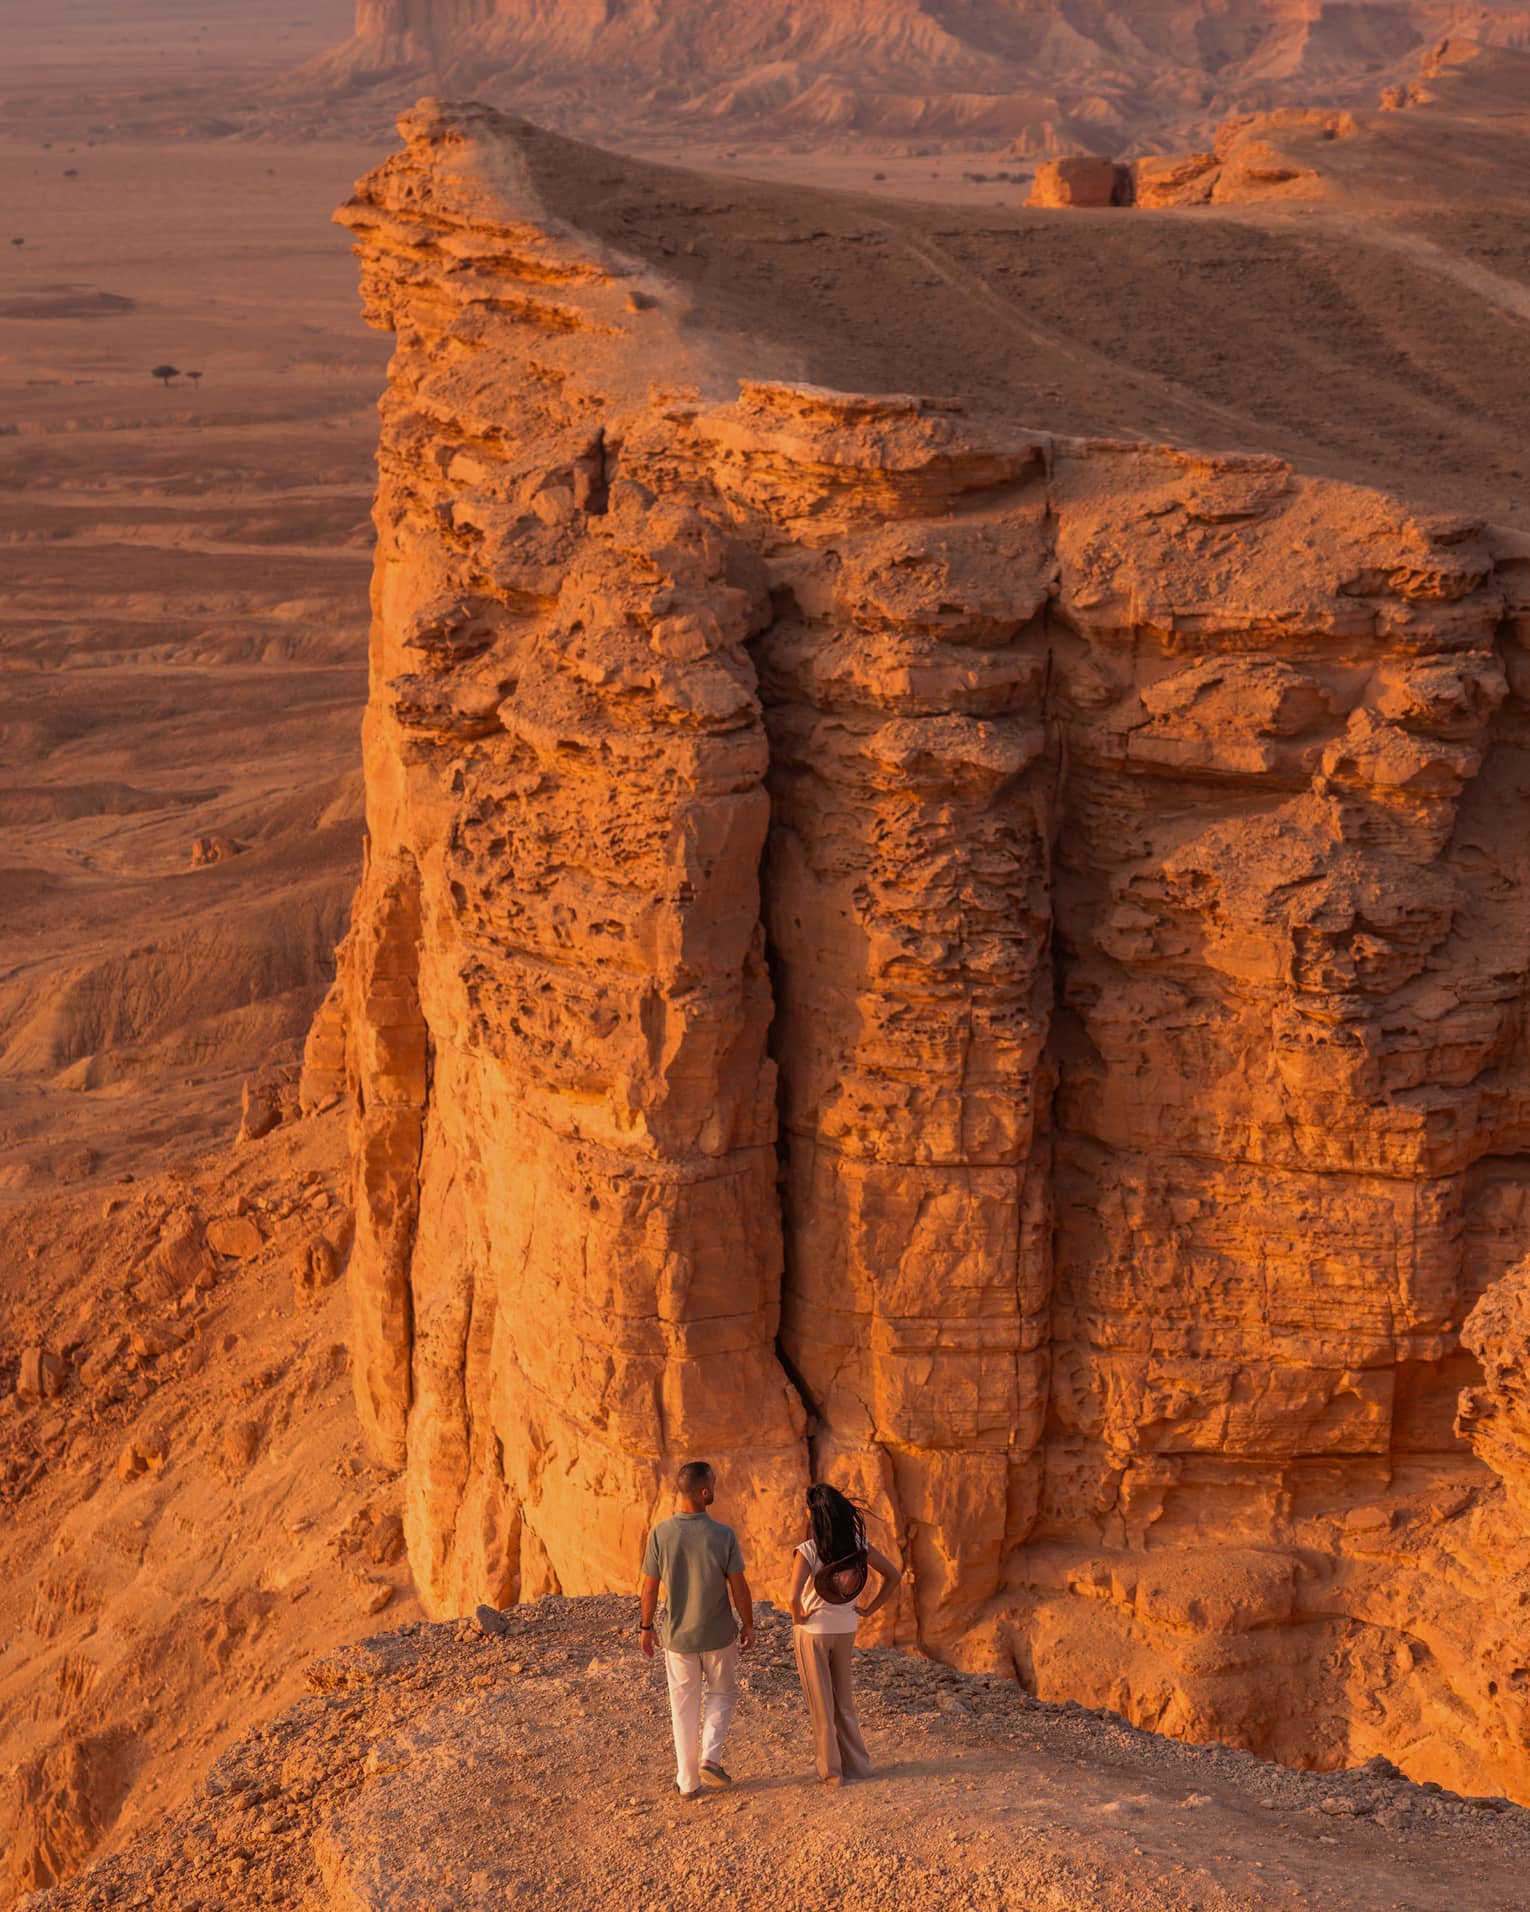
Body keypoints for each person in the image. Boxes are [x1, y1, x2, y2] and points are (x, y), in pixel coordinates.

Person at [639, 1460, 755, 1799]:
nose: (715, 1490)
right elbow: (740, 1587)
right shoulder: (723, 1535)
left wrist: (646, 1626)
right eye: (714, 1485)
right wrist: (747, 1624)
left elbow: (649, 1588)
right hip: (719, 1634)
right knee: (721, 1693)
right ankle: (711, 1757)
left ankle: (688, 1783)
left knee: (683, 1706)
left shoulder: (661, 1533)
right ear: (704, 1492)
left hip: (678, 1638)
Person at [788, 1482, 898, 1786]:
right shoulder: (859, 1544)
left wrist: (799, 1618)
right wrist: (870, 1609)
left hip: (814, 1631)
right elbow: (893, 1575)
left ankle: (833, 1773)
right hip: (846, 1628)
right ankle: (859, 1767)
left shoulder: (808, 1550)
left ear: (815, 1515)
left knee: (821, 1704)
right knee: (844, 1702)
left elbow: (793, 1597)